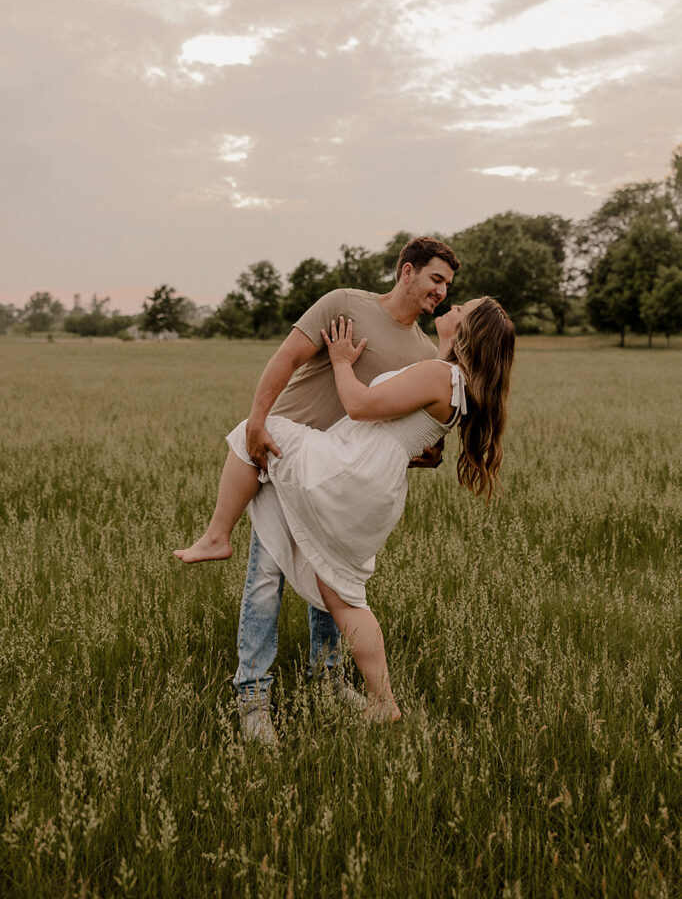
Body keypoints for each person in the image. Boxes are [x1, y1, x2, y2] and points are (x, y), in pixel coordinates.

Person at [175, 297, 515, 725]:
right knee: (344, 598)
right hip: (376, 482)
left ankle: (216, 536)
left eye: (464, 306)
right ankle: (383, 701)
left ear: (470, 329)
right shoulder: (454, 381)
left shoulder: (437, 373)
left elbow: (358, 406)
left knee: (256, 430)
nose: (454, 301)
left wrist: (340, 361)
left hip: (352, 469)